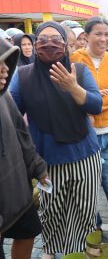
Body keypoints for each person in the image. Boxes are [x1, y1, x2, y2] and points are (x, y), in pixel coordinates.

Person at [9, 21, 102, 257]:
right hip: (48, 162)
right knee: (51, 212)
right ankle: (51, 250)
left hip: (84, 155)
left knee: (85, 209)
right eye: (42, 39)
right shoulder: (23, 75)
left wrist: (73, 87)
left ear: (65, 43)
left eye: (56, 39)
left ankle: (80, 251)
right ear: (35, 43)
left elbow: (96, 105)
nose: (49, 44)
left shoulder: (79, 71)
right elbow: (11, 114)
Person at [71, 17, 108, 228]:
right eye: (98, 34)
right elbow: (70, 96)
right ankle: (92, 229)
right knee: (87, 188)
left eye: (107, 34)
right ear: (86, 36)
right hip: (84, 134)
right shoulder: (74, 59)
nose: (103, 39)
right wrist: (94, 97)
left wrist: (88, 98)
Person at [0, 37, 47, 259]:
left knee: (28, 233)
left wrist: (38, 168)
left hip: (17, 190)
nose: (4, 69)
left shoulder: (5, 97)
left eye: (6, 62)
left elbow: (22, 134)